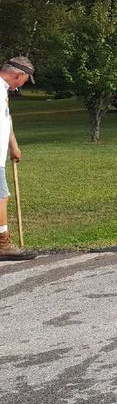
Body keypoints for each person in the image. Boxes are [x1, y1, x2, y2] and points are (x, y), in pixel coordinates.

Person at [0, 56, 34, 260]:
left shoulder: (3, 91)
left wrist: (14, 145)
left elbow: (6, 119)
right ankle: (2, 243)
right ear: (18, 75)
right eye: (25, 80)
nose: (24, 84)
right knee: (1, 196)